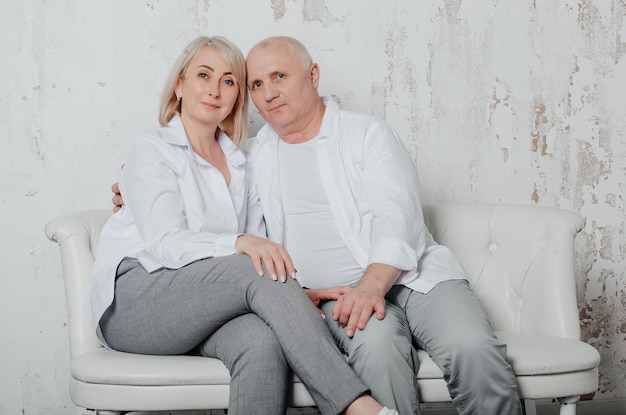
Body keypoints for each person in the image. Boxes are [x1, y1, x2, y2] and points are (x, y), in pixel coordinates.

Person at [93, 35, 397, 415]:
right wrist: (241, 244)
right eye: (203, 75)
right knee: (251, 264)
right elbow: (168, 243)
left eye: (229, 80)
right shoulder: (151, 149)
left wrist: (291, 294)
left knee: (261, 343)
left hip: (203, 310)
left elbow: (261, 249)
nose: (215, 89)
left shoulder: (242, 161)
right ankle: (358, 406)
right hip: (134, 303)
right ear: (179, 86)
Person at [242, 36, 523, 415]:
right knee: (377, 355)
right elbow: (213, 206)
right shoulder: (252, 157)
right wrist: (133, 193)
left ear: (313, 75)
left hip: (416, 278)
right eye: (256, 85)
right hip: (337, 296)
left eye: (279, 76)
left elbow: (398, 219)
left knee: (471, 348)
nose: (269, 93)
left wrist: (372, 287)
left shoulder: (367, 134)